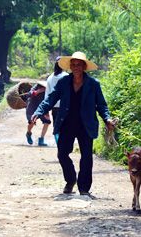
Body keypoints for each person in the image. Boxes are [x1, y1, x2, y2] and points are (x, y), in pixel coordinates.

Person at [31, 51, 114, 196]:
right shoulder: (64, 82)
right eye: (73, 65)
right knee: (62, 154)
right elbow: (50, 99)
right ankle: (70, 180)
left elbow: (101, 105)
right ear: (70, 67)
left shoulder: (93, 84)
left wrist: (107, 119)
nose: (76, 67)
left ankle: (84, 188)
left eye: (79, 64)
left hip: (86, 125)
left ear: (84, 66)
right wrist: (38, 112)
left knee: (87, 157)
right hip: (67, 123)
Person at [45, 56, 68, 144]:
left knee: (56, 126)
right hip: (64, 106)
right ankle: (63, 145)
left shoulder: (50, 78)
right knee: (65, 126)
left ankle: (59, 144)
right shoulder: (66, 76)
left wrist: (46, 109)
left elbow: (47, 94)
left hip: (54, 106)